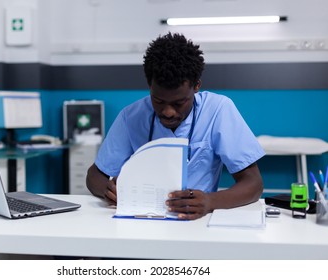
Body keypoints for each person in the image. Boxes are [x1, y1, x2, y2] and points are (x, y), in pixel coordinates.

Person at [86, 32, 265, 220]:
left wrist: (210, 201)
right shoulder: (131, 117)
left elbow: (253, 184)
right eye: (158, 100)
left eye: (179, 103)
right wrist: (109, 190)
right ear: (150, 85)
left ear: (196, 86)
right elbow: (95, 176)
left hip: (196, 221)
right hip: (143, 218)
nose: (168, 112)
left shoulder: (218, 110)